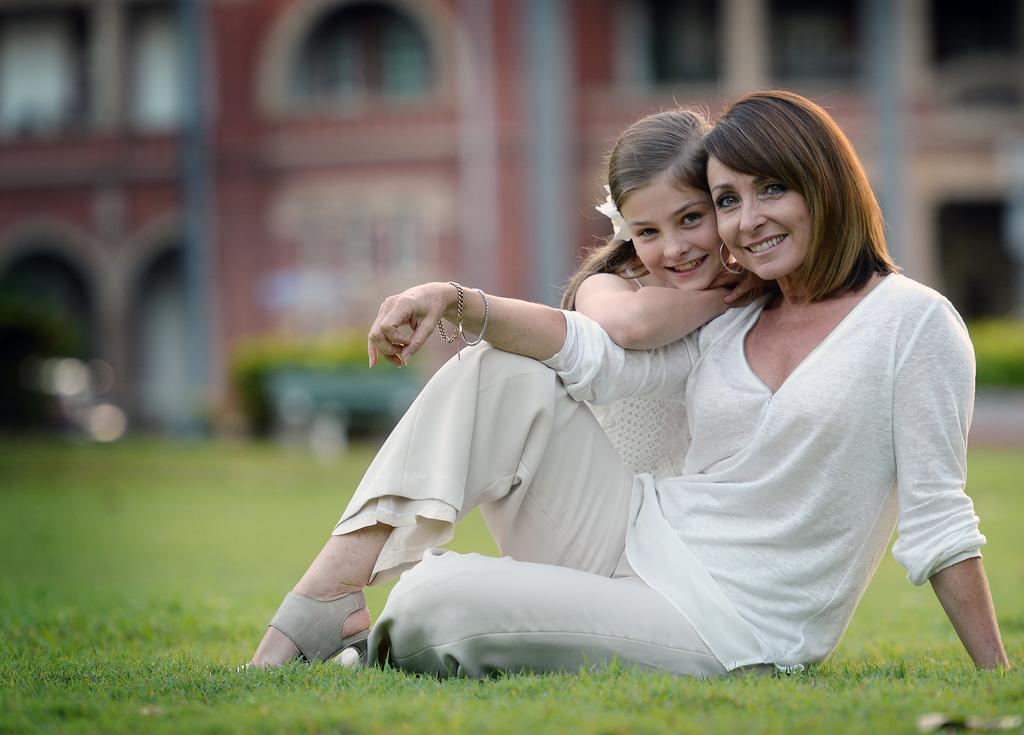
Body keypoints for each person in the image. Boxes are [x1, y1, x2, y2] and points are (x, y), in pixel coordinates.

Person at [249, 90, 1009, 675]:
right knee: (500, 372)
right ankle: (325, 601)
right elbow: (592, 353)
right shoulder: (733, 315)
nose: (746, 222)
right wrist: (454, 300)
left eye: (771, 190)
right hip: (638, 534)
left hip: (737, 623)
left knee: (430, 603)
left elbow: (939, 518)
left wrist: (994, 677)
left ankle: (369, 635)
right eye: (727, 201)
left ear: (827, 186)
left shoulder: (914, 323)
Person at [562, 107, 741, 479]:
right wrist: (722, 297)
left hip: (696, 515)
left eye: (690, 218)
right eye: (648, 232)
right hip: (603, 507)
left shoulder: (760, 288)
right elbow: (633, 325)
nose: (674, 248)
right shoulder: (611, 284)